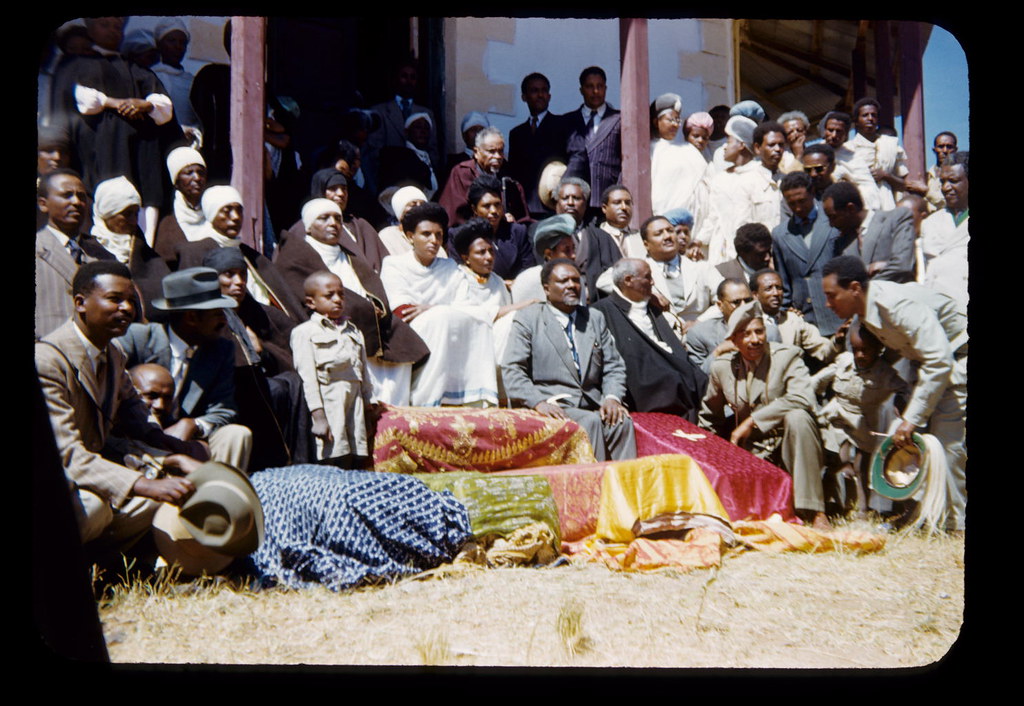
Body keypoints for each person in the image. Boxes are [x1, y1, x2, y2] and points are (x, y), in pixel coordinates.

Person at [35, 261, 205, 548]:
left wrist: (174, 456)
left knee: (163, 496)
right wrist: (147, 484)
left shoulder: (113, 355)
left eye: (130, 301)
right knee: (97, 506)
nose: (127, 309)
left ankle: (113, 568)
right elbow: (67, 456)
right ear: (80, 303)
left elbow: (139, 420)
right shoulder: (46, 362)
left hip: (93, 473)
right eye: (115, 299)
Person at [821, 255, 967, 533]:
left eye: (832, 296)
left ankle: (955, 525)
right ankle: (920, 516)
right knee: (912, 444)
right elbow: (900, 347)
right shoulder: (867, 312)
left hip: (955, 361)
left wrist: (912, 418)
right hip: (926, 366)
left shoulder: (895, 305)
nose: (828, 304)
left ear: (854, 288)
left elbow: (939, 361)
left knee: (948, 448)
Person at [273, 197, 428, 406]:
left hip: (370, 319)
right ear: (309, 227)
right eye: (324, 218)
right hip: (331, 324)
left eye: (337, 218)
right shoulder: (296, 257)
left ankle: (395, 411)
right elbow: (296, 295)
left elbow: (372, 287)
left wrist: (375, 306)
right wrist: (360, 307)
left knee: (402, 339)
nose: (333, 224)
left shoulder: (347, 255)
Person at [698, 300, 830, 529]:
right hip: (752, 451)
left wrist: (752, 421)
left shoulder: (787, 357)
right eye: (746, 334)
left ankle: (814, 510)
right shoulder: (722, 367)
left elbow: (802, 398)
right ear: (734, 340)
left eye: (759, 331)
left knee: (798, 416)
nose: (755, 340)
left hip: (790, 445)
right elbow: (710, 416)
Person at [50, 17, 179, 243]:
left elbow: (164, 106)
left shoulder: (135, 69)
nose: (112, 32)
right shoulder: (73, 66)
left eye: (117, 27)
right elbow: (81, 98)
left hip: (138, 154)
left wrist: (145, 104)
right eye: (105, 25)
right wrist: (117, 102)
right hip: (98, 153)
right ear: (90, 27)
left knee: (140, 213)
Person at [116, 267, 254, 472]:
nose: (224, 322)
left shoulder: (220, 349)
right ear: (191, 317)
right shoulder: (137, 339)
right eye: (217, 314)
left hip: (188, 444)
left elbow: (224, 409)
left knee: (236, 434)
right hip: (135, 439)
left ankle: (219, 497)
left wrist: (192, 425)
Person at [502, 259, 636, 461]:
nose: (572, 286)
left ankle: (624, 486)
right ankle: (593, 487)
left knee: (620, 422)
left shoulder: (593, 318)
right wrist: (538, 402)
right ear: (547, 289)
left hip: (593, 400)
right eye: (564, 281)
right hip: (552, 404)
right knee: (590, 422)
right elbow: (512, 369)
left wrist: (612, 398)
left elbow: (614, 366)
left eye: (576, 280)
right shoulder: (528, 318)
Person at [379, 202, 500, 407]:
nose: (433, 241)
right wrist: (438, 311)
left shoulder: (450, 267)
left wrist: (431, 308)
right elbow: (402, 310)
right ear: (410, 237)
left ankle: (475, 398)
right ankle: (426, 399)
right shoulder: (394, 265)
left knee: (478, 320)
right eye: (426, 234)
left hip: (448, 324)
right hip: (410, 330)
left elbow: (469, 307)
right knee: (441, 317)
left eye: (439, 235)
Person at [810, 322, 910, 516]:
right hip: (836, 414)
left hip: (864, 421)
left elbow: (903, 388)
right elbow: (817, 381)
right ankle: (830, 504)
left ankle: (864, 507)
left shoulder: (884, 372)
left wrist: (900, 401)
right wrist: (812, 404)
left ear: (879, 349)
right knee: (836, 456)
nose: (860, 356)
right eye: (856, 350)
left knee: (862, 465)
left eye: (866, 350)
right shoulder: (844, 361)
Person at [591, 258, 706, 419]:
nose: (652, 282)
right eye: (647, 277)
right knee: (671, 381)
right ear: (628, 280)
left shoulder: (652, 306)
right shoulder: (601, 311)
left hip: (676, 370)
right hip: (646, 383)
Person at [173, 185, 305, 320]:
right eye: (227, 211)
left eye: (239, 210)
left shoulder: (251, 255)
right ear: (211, 214)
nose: (235, 217)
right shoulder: (195, 252)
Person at [289, 272, 374, 466]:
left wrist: (369, 405)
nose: (337, 300)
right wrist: (319, 417)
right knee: (335, 455)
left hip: (355, 406)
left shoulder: (352, 330)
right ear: (311, 302)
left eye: (341, 294)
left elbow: (363, 371)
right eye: (329, 295)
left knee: (358, 456)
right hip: (330, 407)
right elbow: (307, 378)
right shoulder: (305, 333)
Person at [36, 169, 116, 339]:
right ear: (43, 204)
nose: (76, 202)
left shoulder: (104, 257)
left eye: (82, 196)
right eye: (67, 195)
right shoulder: (38, 249)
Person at [611, 215, 722, 326]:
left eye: (670, 231)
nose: (667, 236)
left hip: (701, 335)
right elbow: (603, 281)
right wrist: (649, 294)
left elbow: (725, 299)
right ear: (646, 244)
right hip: (660, 335)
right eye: (659, 233)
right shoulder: (638, 270)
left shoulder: (702, 268)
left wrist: (699, 322)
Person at [88, 175, 171, 322]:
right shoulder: (88, 251)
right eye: (126, 214)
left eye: (136, 213)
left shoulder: (147, 255)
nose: (133, 221)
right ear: (107, 214)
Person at [771, 170, 843, 336]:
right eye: (791, 203)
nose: (798, 207)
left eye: (802, 201)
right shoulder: (780, 234)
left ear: (812, 193)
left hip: (838, 315)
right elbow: (785, 282)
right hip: (806, 322)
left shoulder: (834, 221)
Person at [690, 114, 758, 264]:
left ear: (741, 144)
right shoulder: (720, 179)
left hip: (749, 255)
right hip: (720, 255)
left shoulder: (758, 177)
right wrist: (698, 240)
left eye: (728, 140)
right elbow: (714, 217)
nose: (725, 147)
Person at [445, 174, 535, 281]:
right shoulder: (458, 236)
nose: (494, 211)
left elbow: (529, 269)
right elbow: (459, 272)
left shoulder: (517, 232)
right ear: (474, 209)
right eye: (486, 206)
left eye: (497, 204)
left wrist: (515, 284)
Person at [822, 181, 915, 283]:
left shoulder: (896, 219)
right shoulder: (842, 243)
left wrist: (863, 287)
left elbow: (902, 267)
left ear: (851, 208)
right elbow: (842, 281)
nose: (831, 224)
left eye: (833, 217)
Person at [366, 59, 440, 187]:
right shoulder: (380, 111)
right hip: (389, 180)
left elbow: (433, 150)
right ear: (395, 79)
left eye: (413, 77)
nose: (408, 81)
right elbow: (373, 153)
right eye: (404, 76)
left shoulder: (426, 113)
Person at [685, 277, 780, 376]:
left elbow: (779, 371)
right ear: (720, 305)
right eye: (736, 302)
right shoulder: (700, 334)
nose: (744, 306)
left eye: (748, 300)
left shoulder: (770, 332)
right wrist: (718, 352)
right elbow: (697, 378)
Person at [438, 126, 530, 226]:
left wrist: (513, 221)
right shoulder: (461, 173)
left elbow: (522, 217)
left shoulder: (508, 176)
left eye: (501, 151)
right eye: (492, 151)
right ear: (476, 152)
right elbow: (454, 216)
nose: (498, 156)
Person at [750, 268, 842, 367]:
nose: (776, 293)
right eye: (769, 289)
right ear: (755, 295)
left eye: (779, 288)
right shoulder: (749, 324)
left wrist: (838, 340)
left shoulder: (793, 320)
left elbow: (823, 351)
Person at [508, 73, 569, 219]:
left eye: (544, 90)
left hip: (553, 205)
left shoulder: (562, 126)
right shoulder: (516, 133)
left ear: (549, 96)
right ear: (524, 96)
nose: (540, 95)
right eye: (534, 91)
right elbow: (513, 172)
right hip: (523, 209)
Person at [565, 66, 622, 215]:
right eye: (590, 87)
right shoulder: (566, 121)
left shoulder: (619, 119)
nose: (595, 91)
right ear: (581, 90)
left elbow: (627, 161)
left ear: (605, 88)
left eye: (600, 86)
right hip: (575, 202)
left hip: (606, 200)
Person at [555, 177, 620, 304]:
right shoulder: (543, 235)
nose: (570, 203)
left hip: (596, 306)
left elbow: (618, 273)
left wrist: (593, 290)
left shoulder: (602, 237)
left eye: (577, 198)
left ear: (585, 204)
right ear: (557, 203)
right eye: (565, 198)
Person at [919, 151, 968, 313]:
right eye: (943, 182)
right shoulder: (930, 223)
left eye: (953, 181)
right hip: (938, 311)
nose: (946, 188)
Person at [847, 98, 908, 212]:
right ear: (856, 120)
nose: (870, 118)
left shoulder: (891, 144)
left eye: (873, 115)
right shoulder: (848, 149)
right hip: (861, 210)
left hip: (888, 208)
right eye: (865, 115)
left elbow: (903, 185)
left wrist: (886, 176)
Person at [649, 93, 706, 215]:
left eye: (678, 119)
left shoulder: (688, 149)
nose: (675, 124)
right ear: (656, 122)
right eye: (670, 120)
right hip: (660, 215)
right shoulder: (650, 149)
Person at [150, 18, 201, 147]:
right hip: (156, 142)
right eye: (171, 41)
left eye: (182, 42)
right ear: (159, 44)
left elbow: (199, 118)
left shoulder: (192, 81)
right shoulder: (149, 76)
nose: (178, 46)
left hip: (187, 143)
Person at [509, 213, 581, 305]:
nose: (573, 255)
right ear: (549, 254)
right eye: (566, 250)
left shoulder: (576, 279)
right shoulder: (527, 280)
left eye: (573, 248)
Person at [152, 146, 208, 265]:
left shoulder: (214, 214)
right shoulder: (167, 224)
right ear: (176, 181)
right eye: (189, 173)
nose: (197, 178)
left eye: (201, 172)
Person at [376, 112, 440, 199]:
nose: (423, 131)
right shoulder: (397, 158)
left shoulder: (432, 159)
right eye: (418, 127)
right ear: (406, 132)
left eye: (426, 128)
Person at [376, 185, 436, 258]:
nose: (420, 208)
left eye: (423, 205)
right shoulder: (388, 235)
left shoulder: (433, 236)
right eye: (413, 205)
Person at [593, 184, 643, 259]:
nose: (624, 207)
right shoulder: (594, 238)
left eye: (627, 203)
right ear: (604, 208)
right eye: (617, 203)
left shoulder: (640, 237)